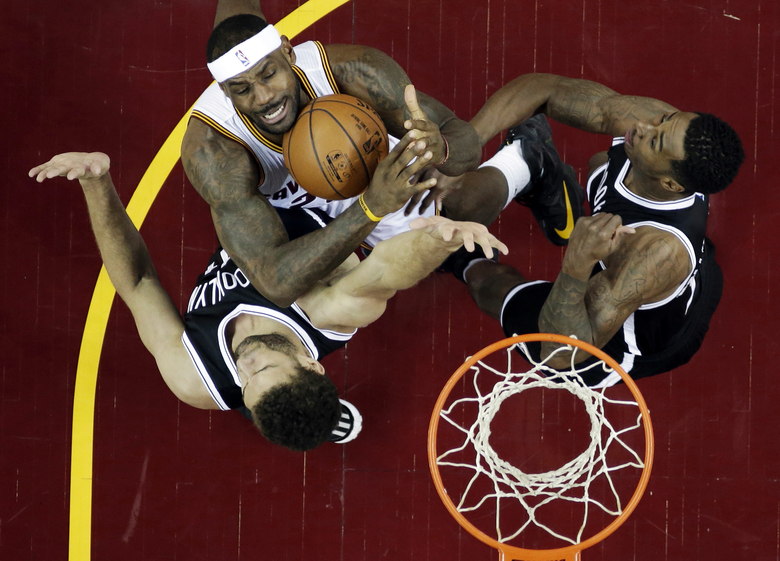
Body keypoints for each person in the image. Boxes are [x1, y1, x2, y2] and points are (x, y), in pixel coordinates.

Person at [29, 148, 507, 451]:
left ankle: (308, 419)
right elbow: (386, 272)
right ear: (311, 362)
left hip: (260, 212)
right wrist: (442, 240)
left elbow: (135, 282)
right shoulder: (330, 313)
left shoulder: (197, 377)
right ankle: (529, 161)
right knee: (452, 189)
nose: (245, 364)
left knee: (214, 157)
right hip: (346, 215)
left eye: (246, 384)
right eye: (263, 369)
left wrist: (97, 183)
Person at [433, 73, 744, 386]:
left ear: (671, 184)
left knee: (489, 289)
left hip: (634, 335)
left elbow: (561, 352)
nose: (643, 127)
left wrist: (577, 265)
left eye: (654, 140)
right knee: (601, 165)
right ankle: (545, 175)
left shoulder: (653, 254)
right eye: (665, 119)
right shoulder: (659, 128)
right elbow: (546, 90)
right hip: (636, 255)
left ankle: (464, 259)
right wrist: (469, 140)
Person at [181, 0, 489, 309]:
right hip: (287, 212)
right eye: (242, 90)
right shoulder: (213, 151)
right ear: (223, 91)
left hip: (363, 160)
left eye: (268, 74)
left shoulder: (355, 72)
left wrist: (442, 148)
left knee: (454, 205)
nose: (264, 97)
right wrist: (371, 208)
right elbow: (275, 283)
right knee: (325, 297)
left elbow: (466, 142)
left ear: (289, 52)